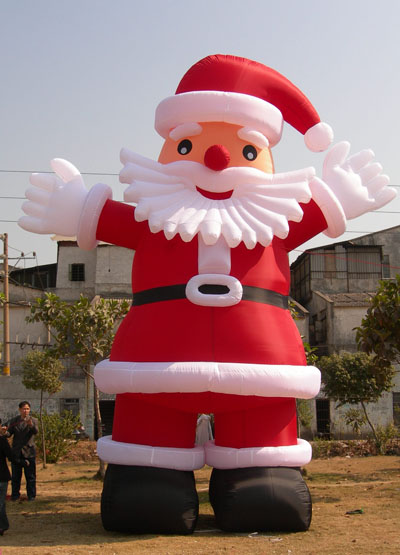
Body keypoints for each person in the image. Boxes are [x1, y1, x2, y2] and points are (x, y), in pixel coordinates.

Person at [19, 54, 396, 533]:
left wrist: (341, 196)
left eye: (247, 151)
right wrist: (73, 207)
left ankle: (261, 480)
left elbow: (319, 212)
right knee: (146, 481)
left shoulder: (274, 221)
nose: (217, 160)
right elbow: (102, 218)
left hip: (258, 373)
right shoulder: (153, 218)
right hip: (158, 369)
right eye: (187, 145)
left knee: (263, 478)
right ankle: (149, 481)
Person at [6, 401, 38, 501]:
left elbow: (35, 431)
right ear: (20, 410)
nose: (26, 411)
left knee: (30, 477)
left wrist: (31, 425)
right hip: (17, 453)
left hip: (29, 452)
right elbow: (8, 434)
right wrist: (4, 432)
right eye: (24, 409)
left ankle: (31, 496)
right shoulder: (14, 420)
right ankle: (15, 496)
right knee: (16, 477)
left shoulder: (33, 420)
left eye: (27, 409)